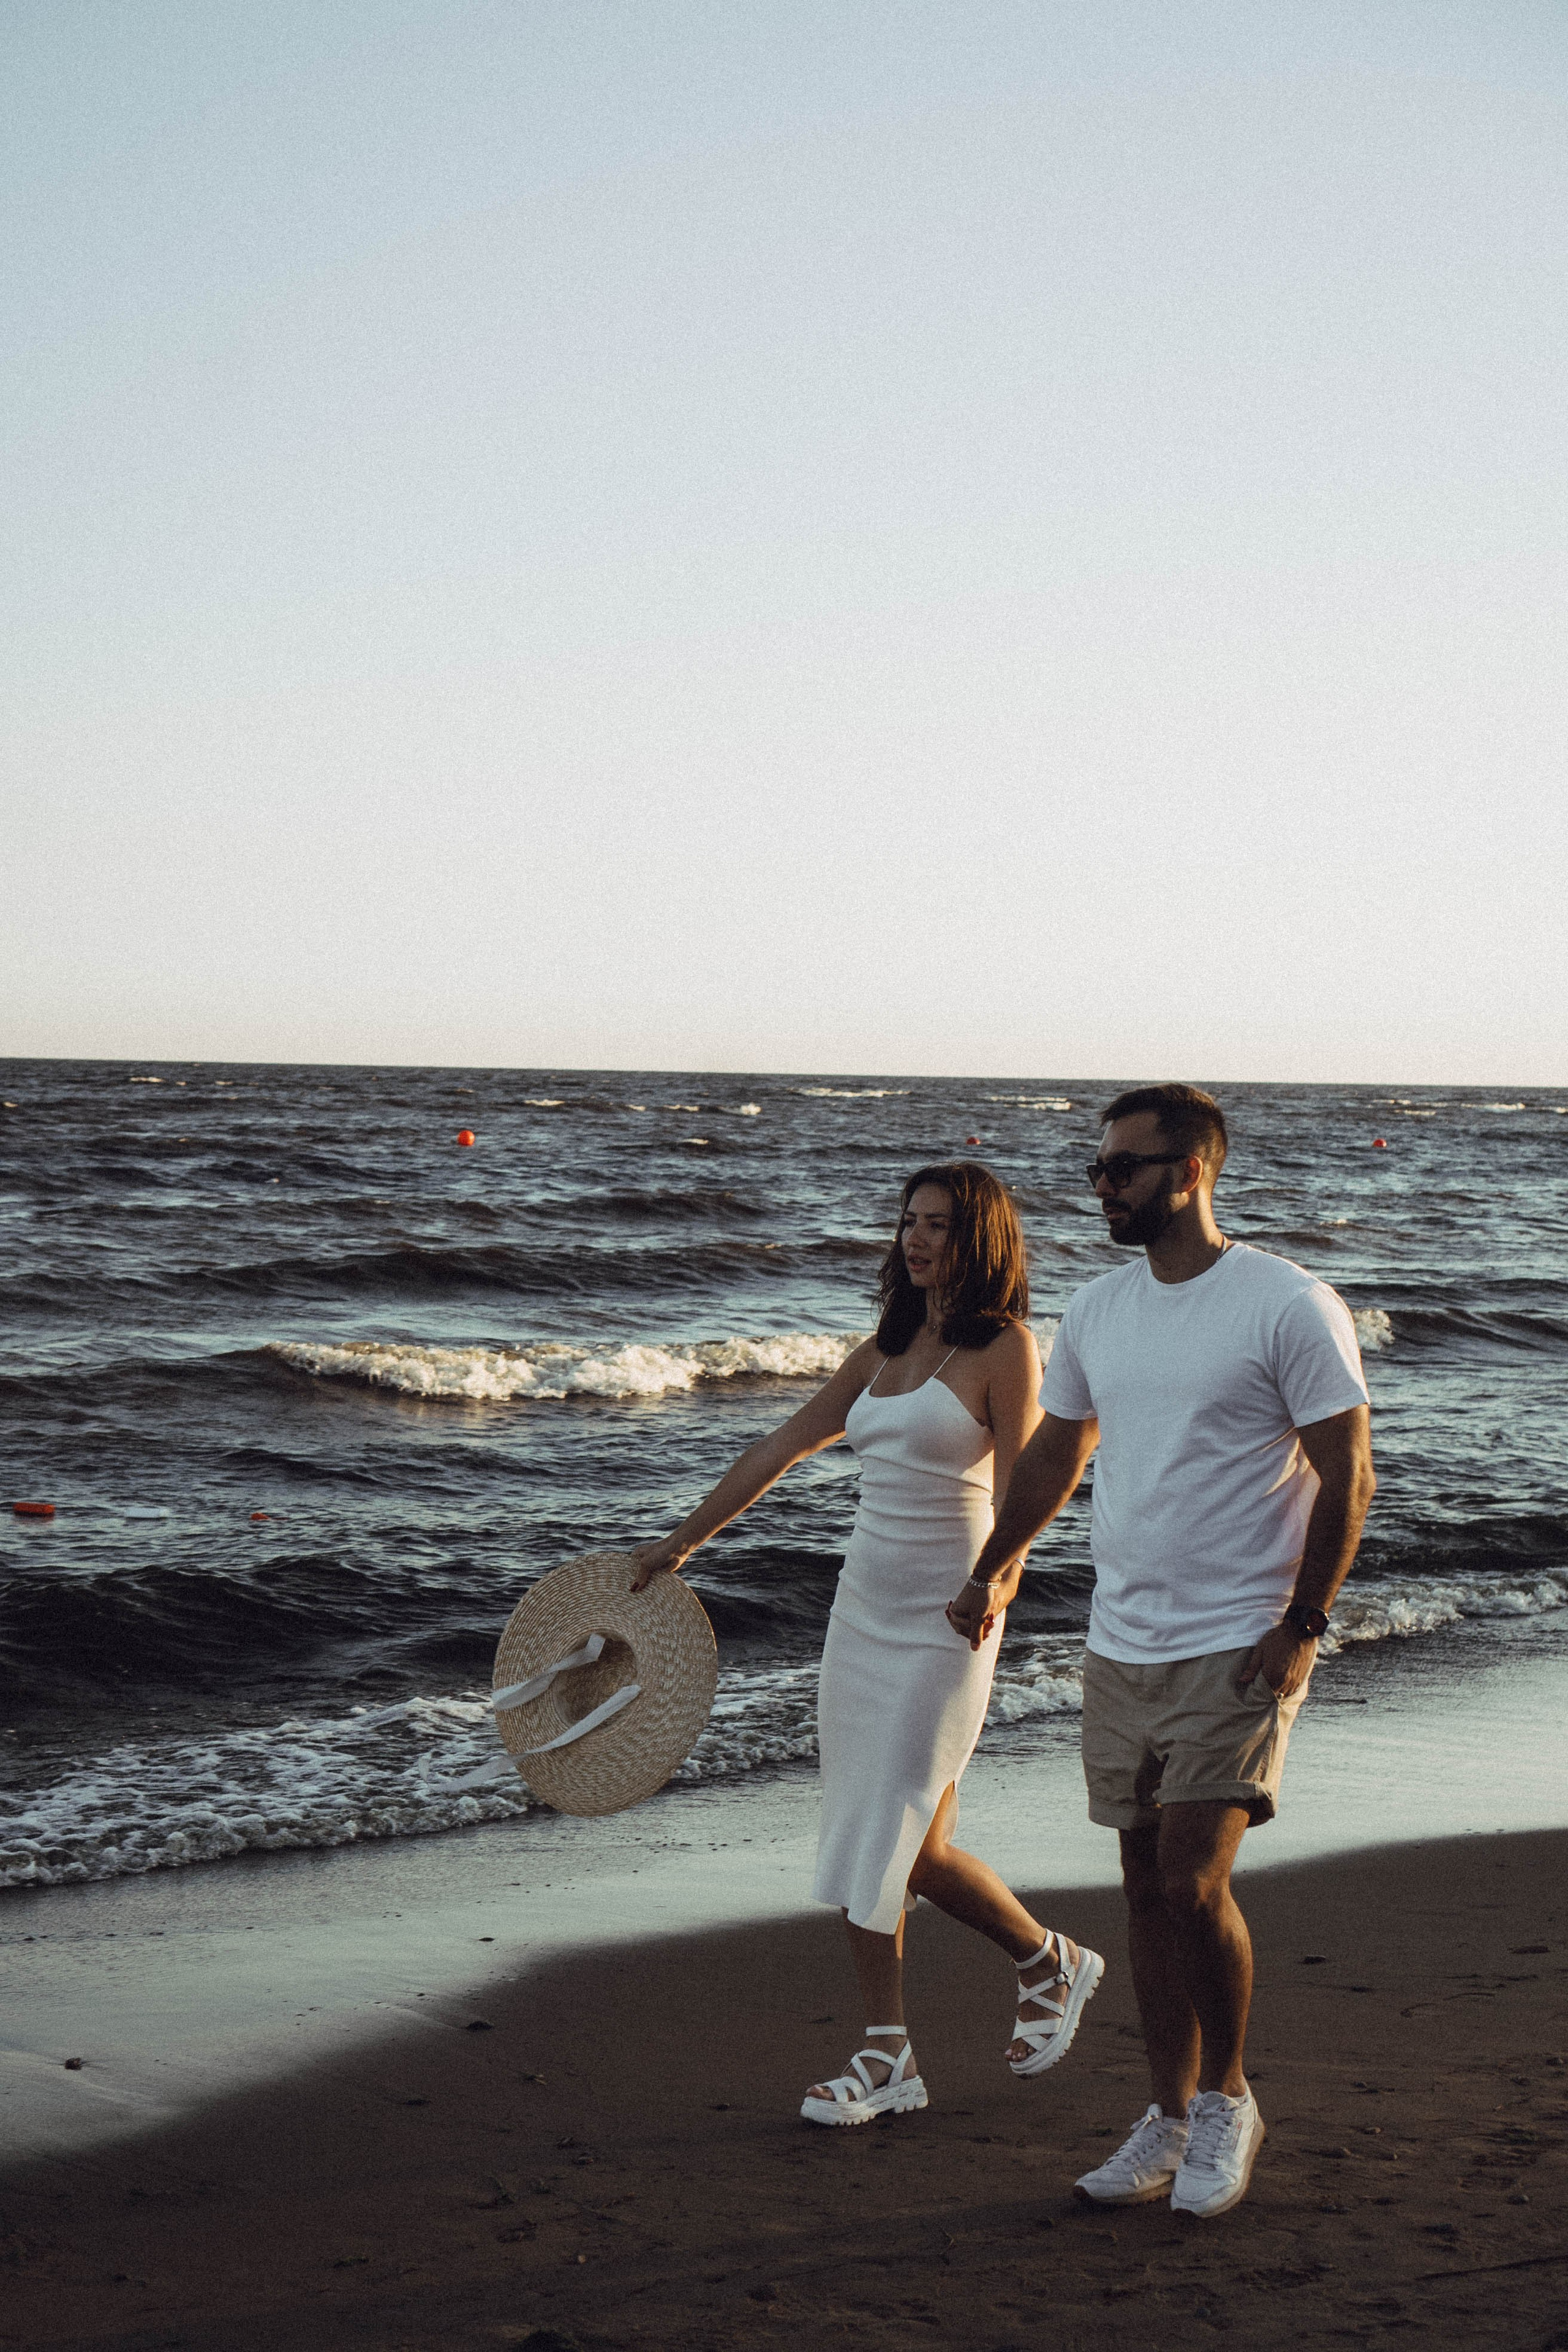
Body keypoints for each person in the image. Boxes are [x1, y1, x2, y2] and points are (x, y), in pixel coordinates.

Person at [953, 1085, 1375, 2217]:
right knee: (1142, 1888)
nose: (1102, 1186)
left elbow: (1350, 1476)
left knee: (1193, 1883)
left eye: (1122, 1169)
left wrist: (1303, 1626)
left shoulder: (1286, 1304)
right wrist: (999, 1560)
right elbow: (1054, 1453)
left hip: (1242, 1640)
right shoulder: (1098, 1310)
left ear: (1189, 1173)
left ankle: (1230, 2100)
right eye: (1099, 1168)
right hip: (1121, 1638)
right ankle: (1169, 2113)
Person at [631, 1161, 1104, 2127]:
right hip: (861, 1614)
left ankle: (1044, 1963)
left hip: (951, 1615)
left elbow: (1030, 1487)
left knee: (902, 1835)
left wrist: (995, 1583)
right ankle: (899, 2047)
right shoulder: (884, 1348)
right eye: (908, 1222)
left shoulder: (1007, 1347)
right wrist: (678, 1544)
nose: (916, 1240)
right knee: (875, 1833)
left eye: (937, 1225)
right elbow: (778, 1447)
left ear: (980, 1240)